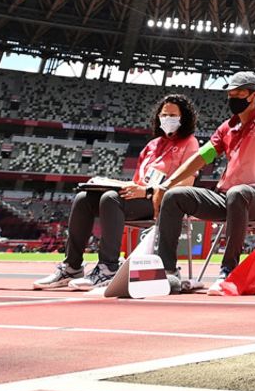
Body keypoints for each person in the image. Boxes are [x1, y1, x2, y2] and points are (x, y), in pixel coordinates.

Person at [33, 94, 201, 290]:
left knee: (111, 199)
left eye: (173, 115)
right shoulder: (152, 146)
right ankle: (72, 266)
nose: (167, 119)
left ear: (184, 118)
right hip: (139, 198)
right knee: (83, 199)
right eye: (164, 114)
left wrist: (148, 191)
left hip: (163, 203)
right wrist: (111, 182)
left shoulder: (190, 143)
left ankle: (108, 267)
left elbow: (186, 184)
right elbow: (137, 181)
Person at [151, 72, 255, 292]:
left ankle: (228, 271)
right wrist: (166, 184)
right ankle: (167, 270)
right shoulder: (226, 127)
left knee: (237, 193)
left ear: (253, 95)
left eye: (238, 92)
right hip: (226, 198)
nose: (232, 96)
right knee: (174, 196)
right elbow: (199, 159)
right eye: (230, 92)